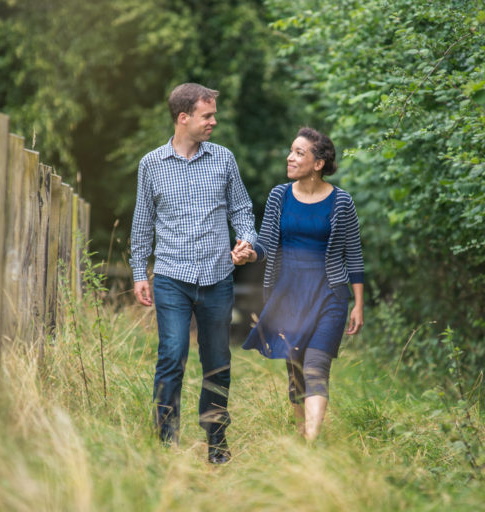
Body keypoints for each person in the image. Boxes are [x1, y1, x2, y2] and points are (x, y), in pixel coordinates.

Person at [129, 83, 257, 464]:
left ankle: (216, 442)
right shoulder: (151, 164)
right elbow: (142, 224)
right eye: (207, 115)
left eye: (213, 114)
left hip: (218, 278)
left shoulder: (224, 159)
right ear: (183, 118)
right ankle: (165, 442)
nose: (214, 122)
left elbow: (242, 211)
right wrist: (139, 272)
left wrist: (245, 241)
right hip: (171, 277)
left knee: (217, 361)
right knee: (172, 355)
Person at [233, 127, 364, 441]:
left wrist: (358, 304)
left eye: (299, 153)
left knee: (317, 365)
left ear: (318, 163)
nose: (290, 158)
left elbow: (354, 255)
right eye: (291, 151)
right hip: (288, 296)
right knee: (296, 370)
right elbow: (265, 244)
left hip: (329, 295)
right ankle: (300, 435)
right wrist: (248, 254)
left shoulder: (342, 202)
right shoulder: (279, 195)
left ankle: (311, 442)